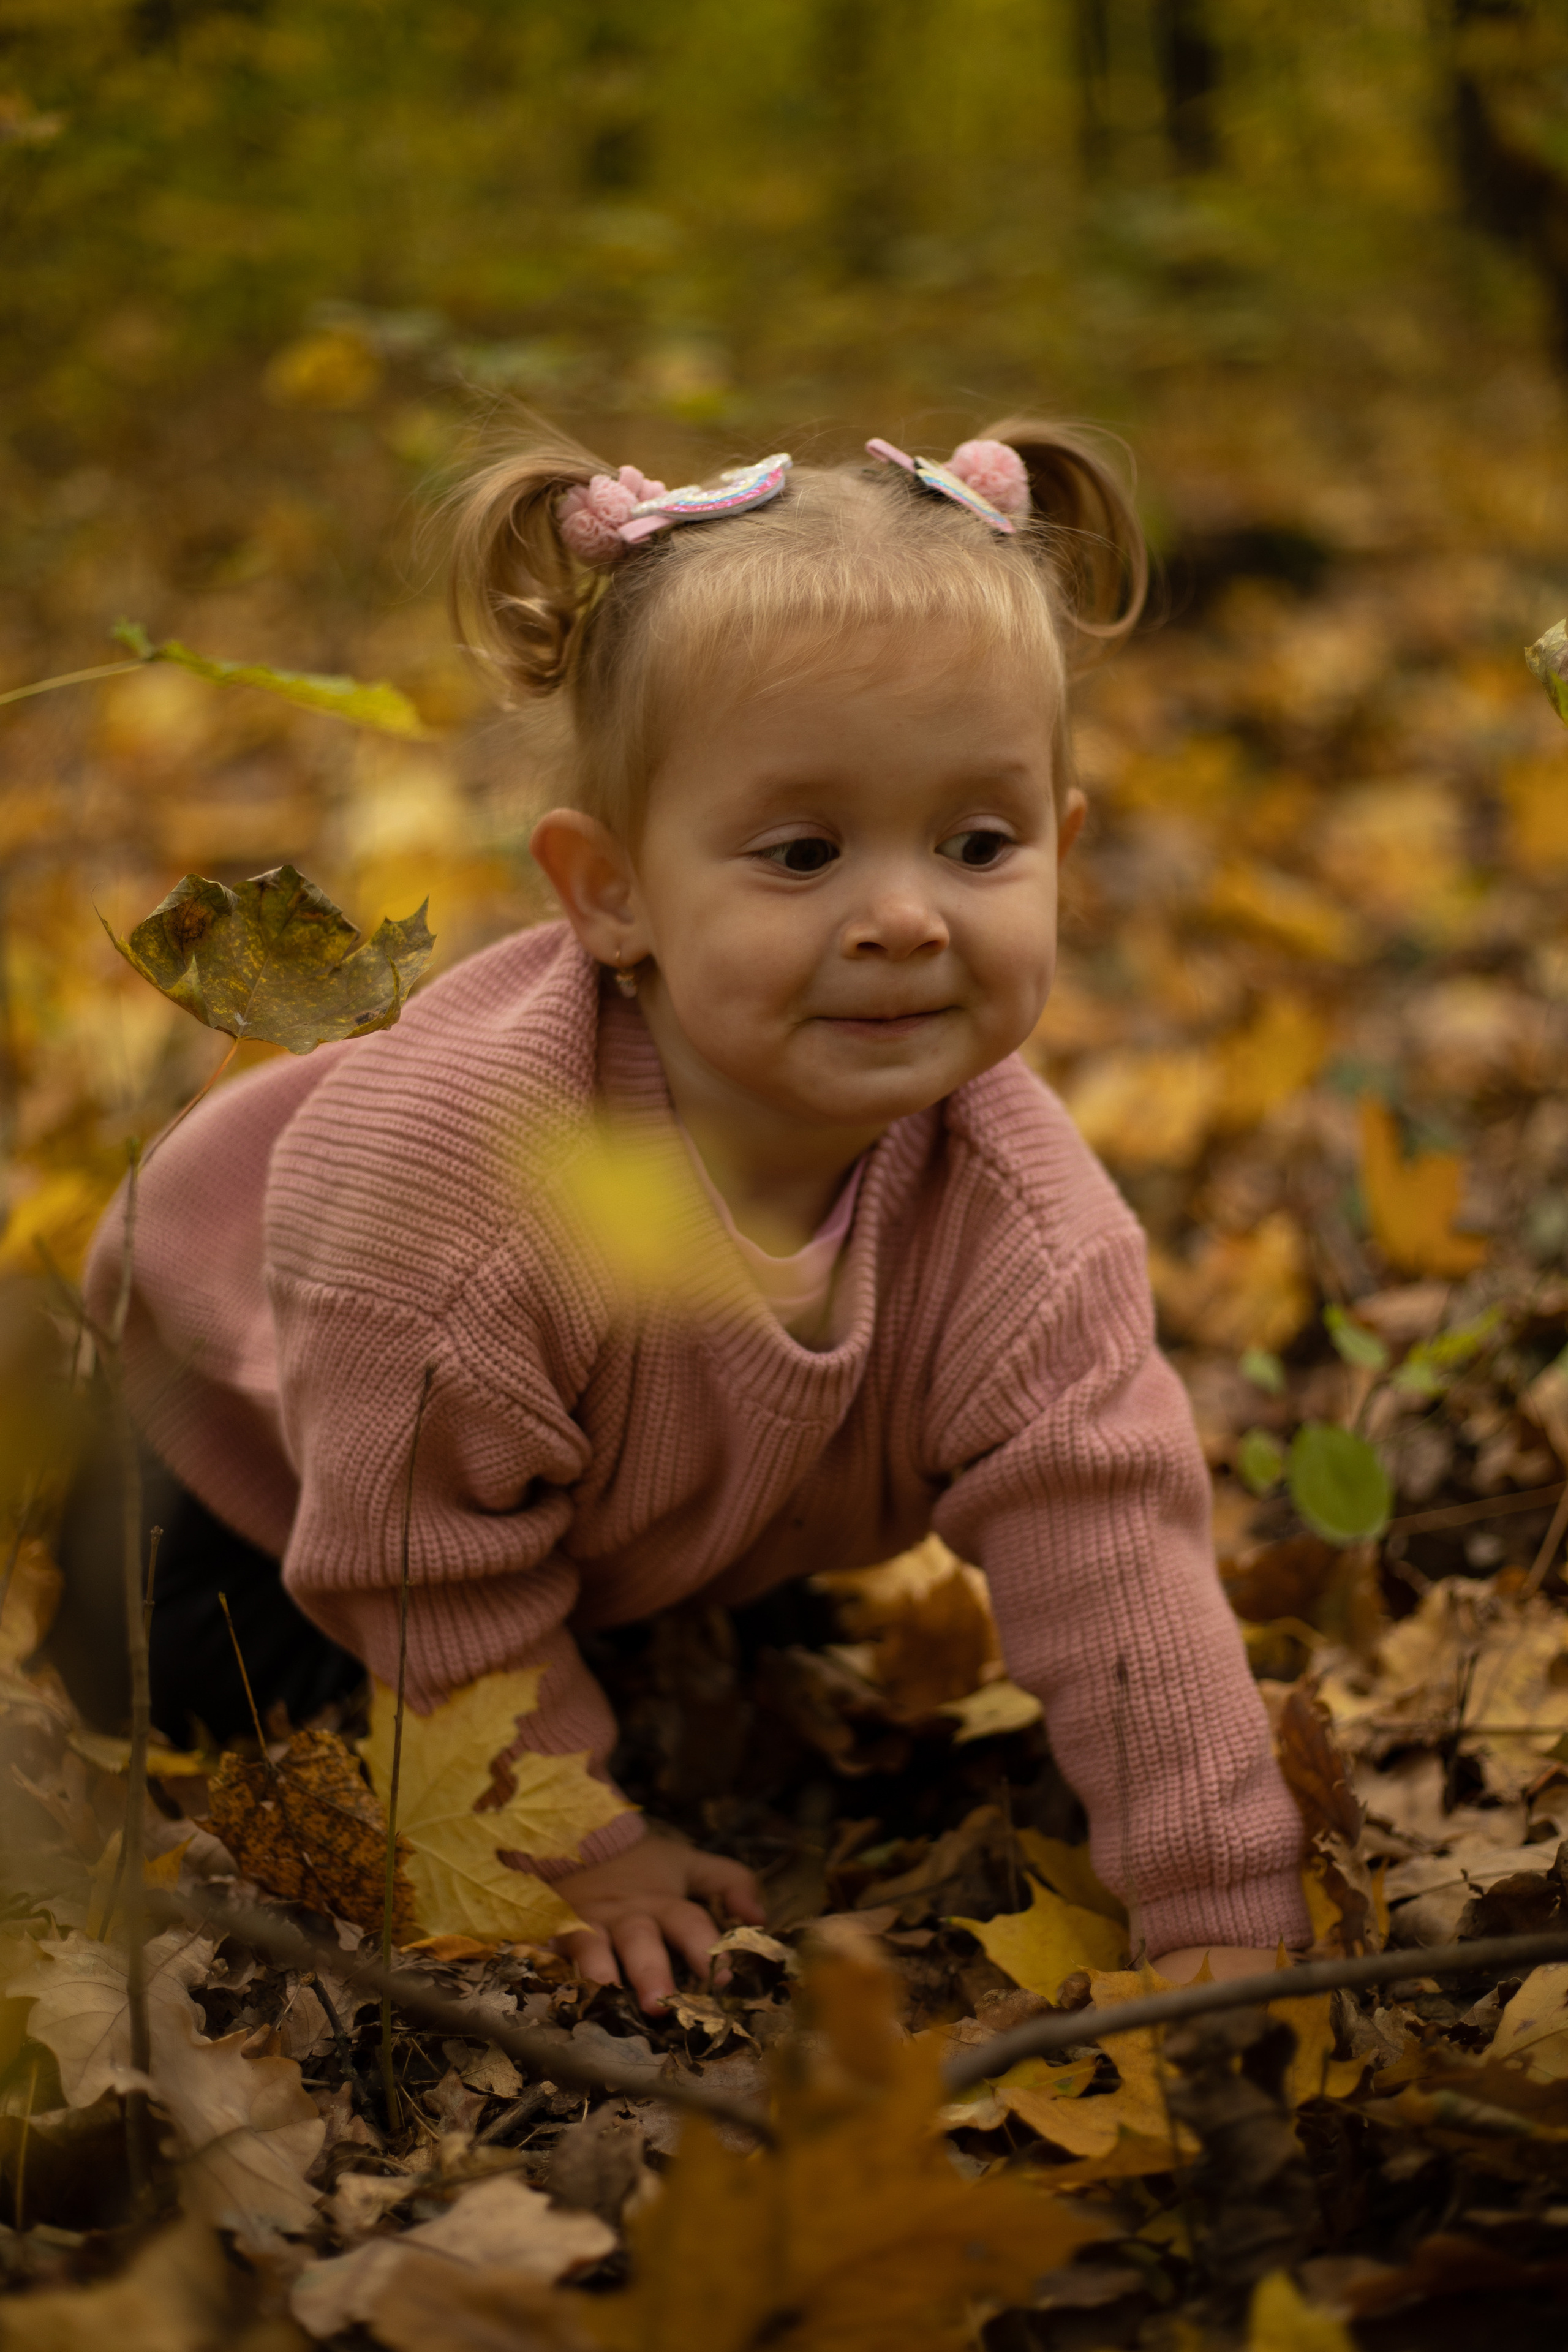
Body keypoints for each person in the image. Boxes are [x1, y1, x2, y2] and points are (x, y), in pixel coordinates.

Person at [78, 421, 1310, 2008]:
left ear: (1063, 855)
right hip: (258, 1503)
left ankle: (617, 1638)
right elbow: (408, 1554)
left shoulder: (1022, 1226)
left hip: (639, 1503)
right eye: (802, 853)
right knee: (225, 1726)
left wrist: (1229, 1920)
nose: (904, 917)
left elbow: (1117, 1544)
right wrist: (577, 1848)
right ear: (611, 893)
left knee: (704, 1656)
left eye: (981, 844)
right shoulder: (462, 1192)